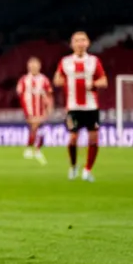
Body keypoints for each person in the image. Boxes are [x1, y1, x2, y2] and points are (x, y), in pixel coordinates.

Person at [54, 32, 108, 182]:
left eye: (83, 40)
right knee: (72, 138)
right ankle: (73, 166)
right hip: (73, 108)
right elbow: (57, 78)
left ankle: (87, 170)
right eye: (76, 40)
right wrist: (59, 81)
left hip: (91, 108)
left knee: (93, 140)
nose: (80, 43)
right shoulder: (65, 62)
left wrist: (94, 84)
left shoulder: (93, 61)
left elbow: (104, 81)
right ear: (72, 44)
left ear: (88, 43)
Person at [16, 57, 53, 165]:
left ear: (39, 66)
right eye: (31, 65)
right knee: (35, 126)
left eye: (35, 65)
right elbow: (19, 94)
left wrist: (49, 107)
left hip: (41, 109)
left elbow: (49, 95)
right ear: (28, 67)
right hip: (29, 109)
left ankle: (36, 149)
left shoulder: (44, 80)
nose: (33, 67)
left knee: (39, 129)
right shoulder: (24, 80)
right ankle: (29, 148)